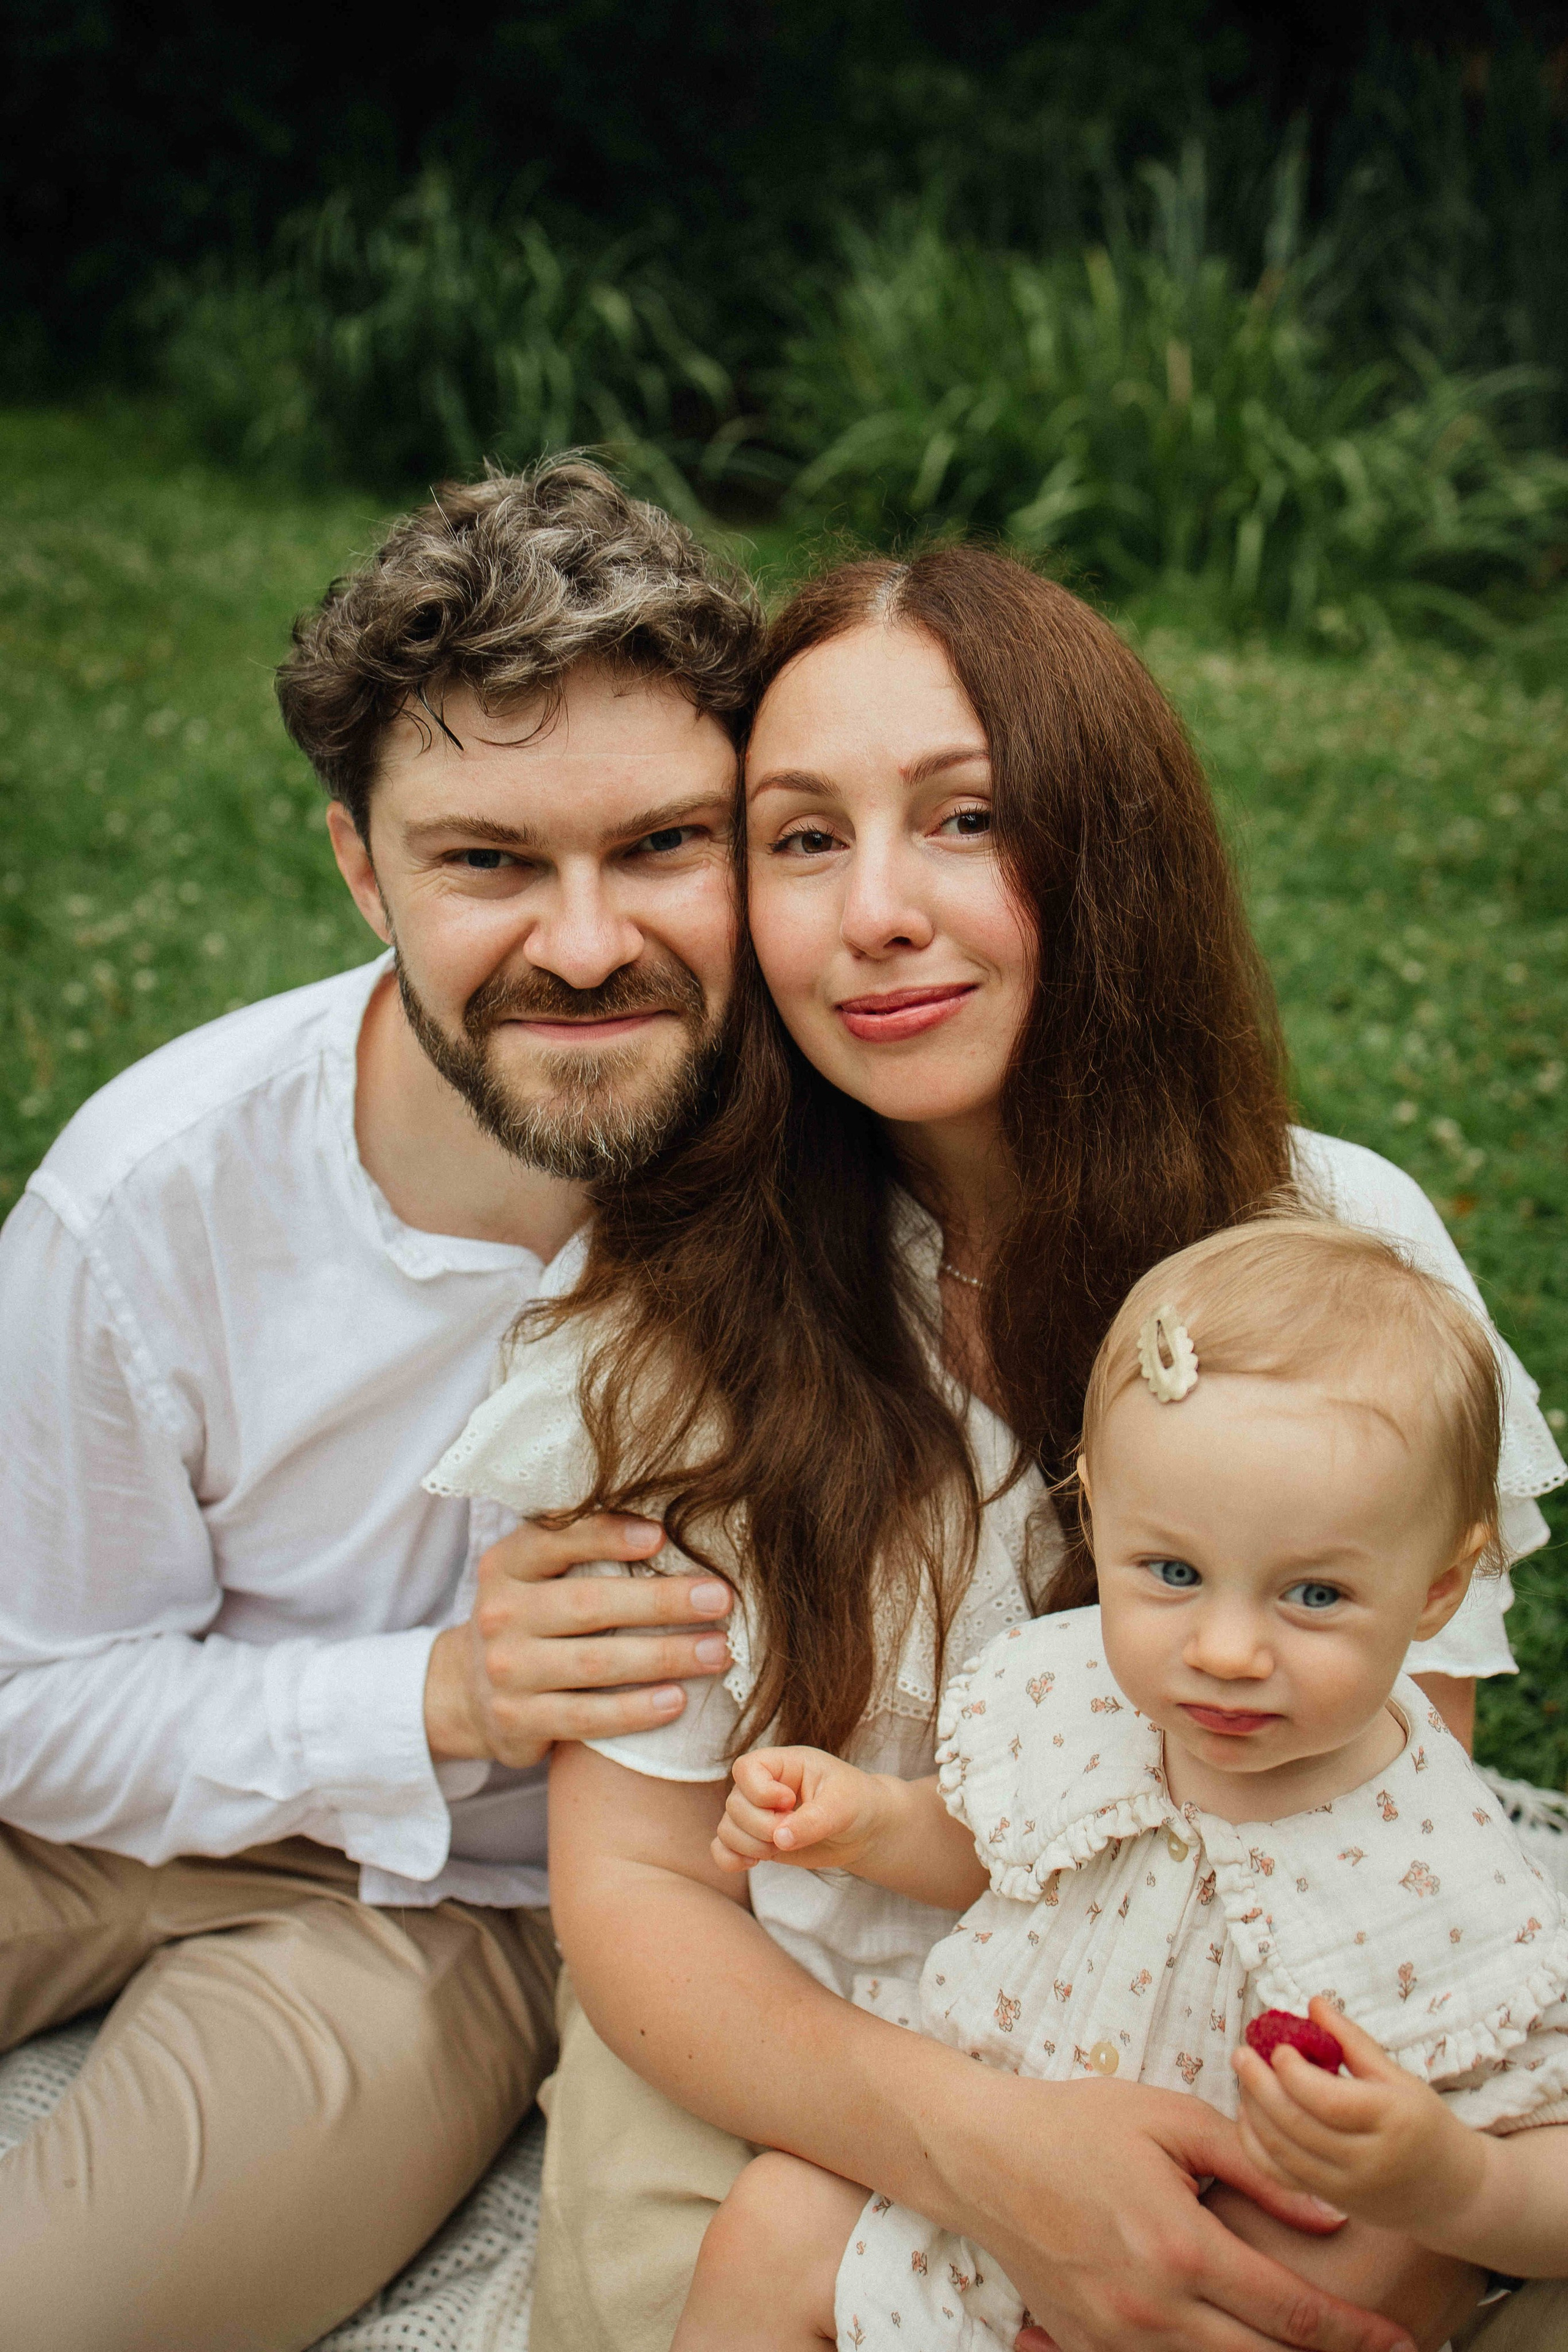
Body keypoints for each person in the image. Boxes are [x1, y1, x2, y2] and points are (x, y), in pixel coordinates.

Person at [427, 548, 1567, 2352]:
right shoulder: (673, 1319)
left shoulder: (1336, 1254)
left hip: (1213, 2057)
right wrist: (986, 2155)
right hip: (793, 2057)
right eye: (805, 839)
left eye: (965, 819)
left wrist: (1315, 2220)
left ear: (1109, 849)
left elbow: (1368, 1812)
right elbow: (639, 1888)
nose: (877, 910)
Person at [0, 460, 763, 2350]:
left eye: (662, 845)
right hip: (109, 1808)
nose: (583, 944)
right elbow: (30, 1702)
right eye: (488, 861)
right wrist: (444, 1694)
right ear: (362, 866)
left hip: (465, 1907)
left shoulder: (838, 1179)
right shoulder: (150, 1198)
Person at [674, 1215, 1568, 2352]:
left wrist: (1452, 2183)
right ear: (1099, 1517)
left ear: (1439, 1589)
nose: (1228, 1651)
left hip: (1215, 2278)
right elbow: (1003, 1855)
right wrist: (869, 1824)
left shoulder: (1444, 1867)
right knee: (771, 2224)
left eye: (1315, 1596)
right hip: (997, 2191)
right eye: (1175, 1572)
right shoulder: (1075, 1699)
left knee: (1348, 2277)